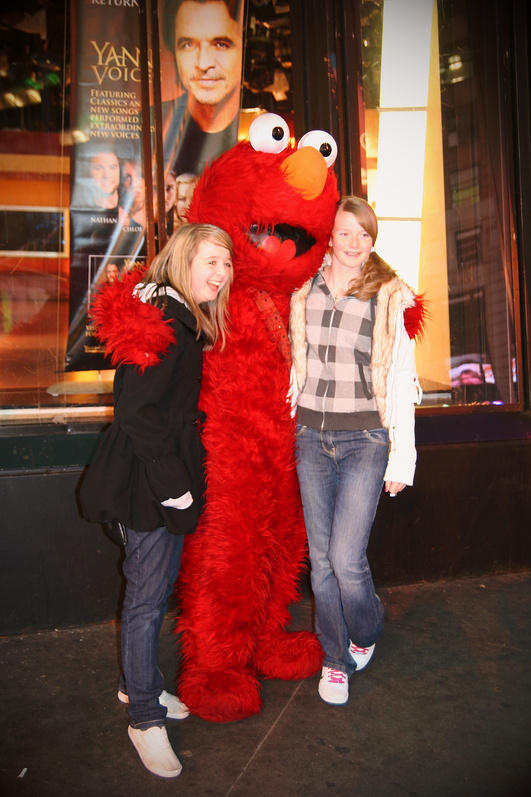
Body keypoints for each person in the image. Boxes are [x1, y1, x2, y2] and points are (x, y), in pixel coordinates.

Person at [79, 223, 233, 777]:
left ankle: (136, 684)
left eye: (226, 264)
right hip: (149, 481)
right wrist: (176, 487)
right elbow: (137, 414)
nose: (221, 273)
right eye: (210, 261)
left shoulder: (177, 313)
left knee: (154, 588)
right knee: (146, 600)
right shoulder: (166, 316)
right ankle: (144, 717)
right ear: (183, 259)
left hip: (161, 474)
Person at [290, 196, 424, 706]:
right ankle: (335, 658)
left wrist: (402, 457)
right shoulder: (304, 288)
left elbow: (401, 379)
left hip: (365, 439)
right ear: (330, 235)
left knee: (346, 559)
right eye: (345, 232)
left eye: (363, 234)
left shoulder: (388, 296)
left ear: (372, 241)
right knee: (322, 562)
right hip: (310, 436)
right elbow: (296, 360)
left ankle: (366, 627)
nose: (354, 243)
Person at [161, 0, 244, 176]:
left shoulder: (261, 134)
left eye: (221, 44)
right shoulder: (150, 126)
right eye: (188, 45)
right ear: (174, 54)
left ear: (243, 50)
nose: (204, 63)